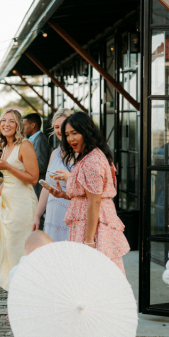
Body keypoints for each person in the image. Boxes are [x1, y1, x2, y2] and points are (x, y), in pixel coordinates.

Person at [50, 112, 130, 274]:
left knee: (95, 274)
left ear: (86, 132)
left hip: (94, 228)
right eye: (67, 135)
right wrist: (64, 195)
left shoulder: (92, 161)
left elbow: (95, 202)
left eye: (75, 133)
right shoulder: (86, 157)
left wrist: (89, 242)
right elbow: (88, 196)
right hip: (87, 223)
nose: (71, 139)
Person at [0, 108, 39, 290]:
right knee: (9, 248)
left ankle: (25, 289)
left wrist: (7, 167)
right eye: (3, 121)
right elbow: (9, 178)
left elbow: (33, 178)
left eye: (11, 121)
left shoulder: (25, 145)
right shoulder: (6, 146)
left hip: (22, 205)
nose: (6, 124)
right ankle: (15, 289)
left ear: (18, 125)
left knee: (18, 248)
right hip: (8, 204)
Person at [8, 230, 58, 337]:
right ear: (37, 250)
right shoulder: (35, 271)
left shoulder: (16, 269)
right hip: (33, 315)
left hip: (18, 314)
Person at [31, 108, 74, 241]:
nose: (59, 130)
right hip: (52, 214)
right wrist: (37, 215)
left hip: (71, 213)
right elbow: (47, 186)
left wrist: (70, 177)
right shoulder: (55, 153)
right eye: (56, 127)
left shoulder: (82, 153)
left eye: (63, 126)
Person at [23, 113, 50, 198]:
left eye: (24, 125)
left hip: (37, 187)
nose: (22, 128)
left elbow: (42, 166)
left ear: (33, 125)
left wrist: (22, 163)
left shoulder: (40, 141)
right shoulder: (33, 139)